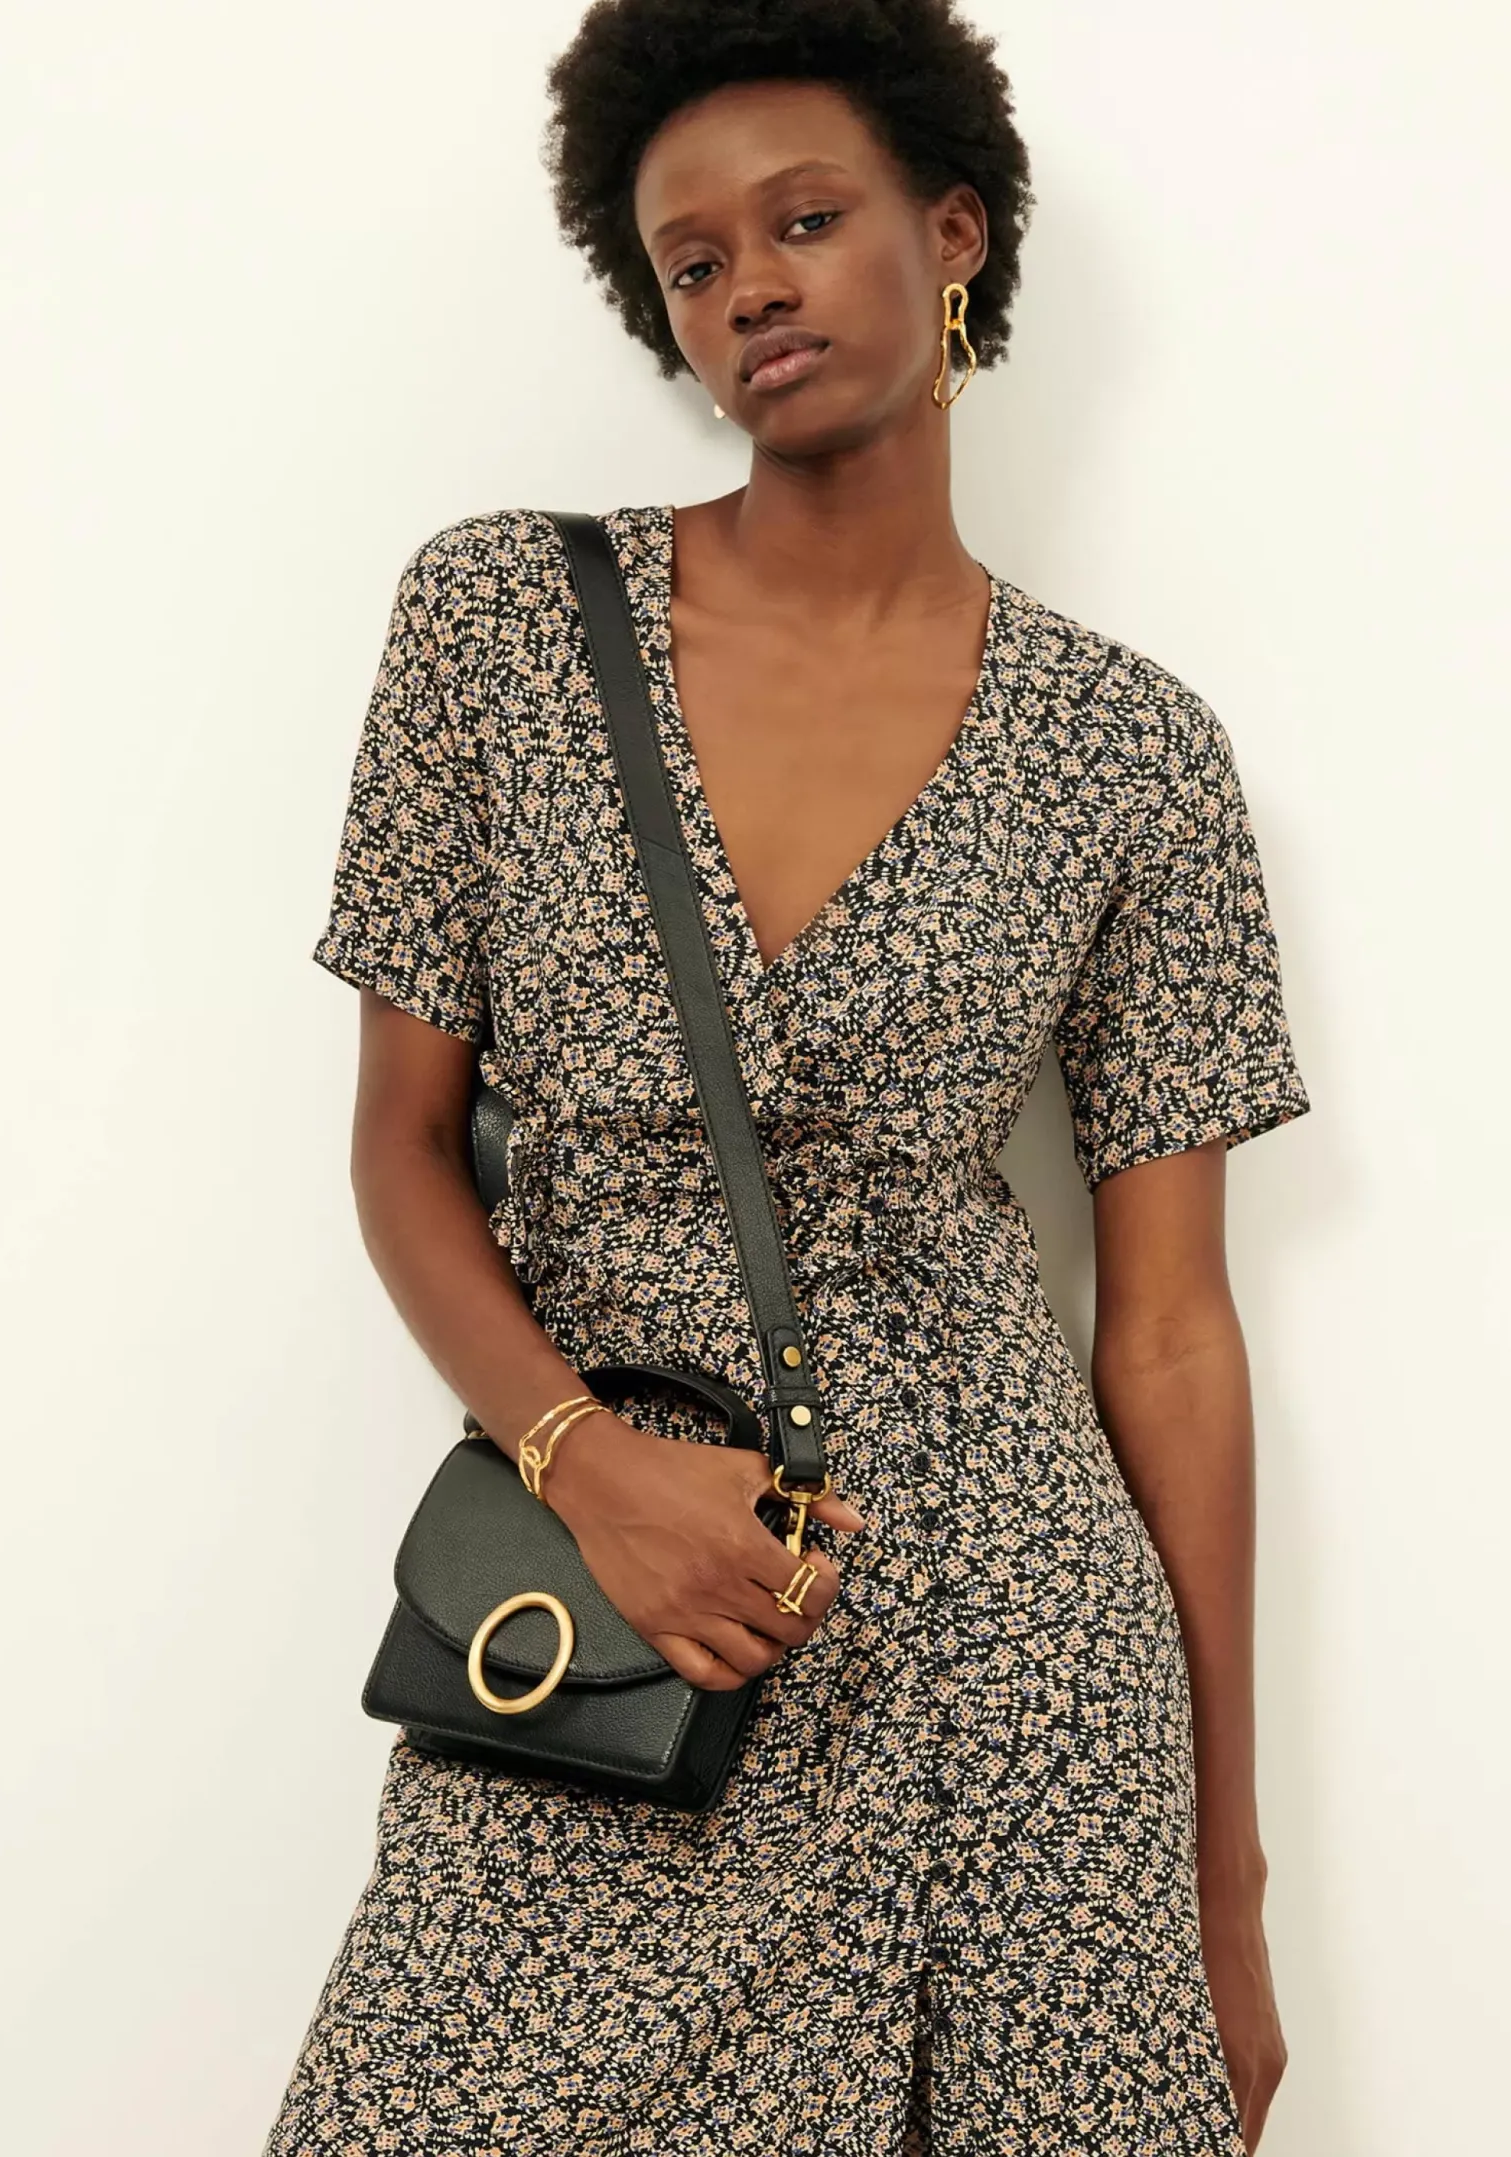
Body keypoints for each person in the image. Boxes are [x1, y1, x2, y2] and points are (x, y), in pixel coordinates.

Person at [264, 4, 1311, 2152]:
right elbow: (399, 1146)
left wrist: (1222, 1872)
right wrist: (582, 1461)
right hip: (634, 1622)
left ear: (955, 237)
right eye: (693, 261)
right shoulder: (498, 625)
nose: (750, 284)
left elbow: (1173, 1333)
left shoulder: (1136, 754)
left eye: (807, 221)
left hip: (1024, 1675)